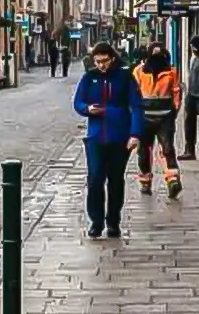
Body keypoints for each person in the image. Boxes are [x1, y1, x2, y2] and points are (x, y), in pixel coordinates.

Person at [73, 41, 144, 239]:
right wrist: (87, 109)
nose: (101, 65)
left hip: (119, 136)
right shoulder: (90, 77)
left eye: (104, 61)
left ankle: (113, 221)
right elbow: (78, 102)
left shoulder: (124, 77)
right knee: (95, 179)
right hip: (96, 137)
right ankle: (96, 222)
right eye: (97, 61)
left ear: (112, 58)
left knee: (115, 180)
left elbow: (136, 106)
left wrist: (135, 134)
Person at [133, 42, 182, 198]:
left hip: (163, 117)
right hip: (146, 117)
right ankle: (146, 181)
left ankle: (172, 180)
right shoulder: (139, 71)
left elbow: (176, 93)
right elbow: (133, 94)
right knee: (145, 151)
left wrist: (173, 111)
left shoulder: (171, 72)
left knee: (166, 149)